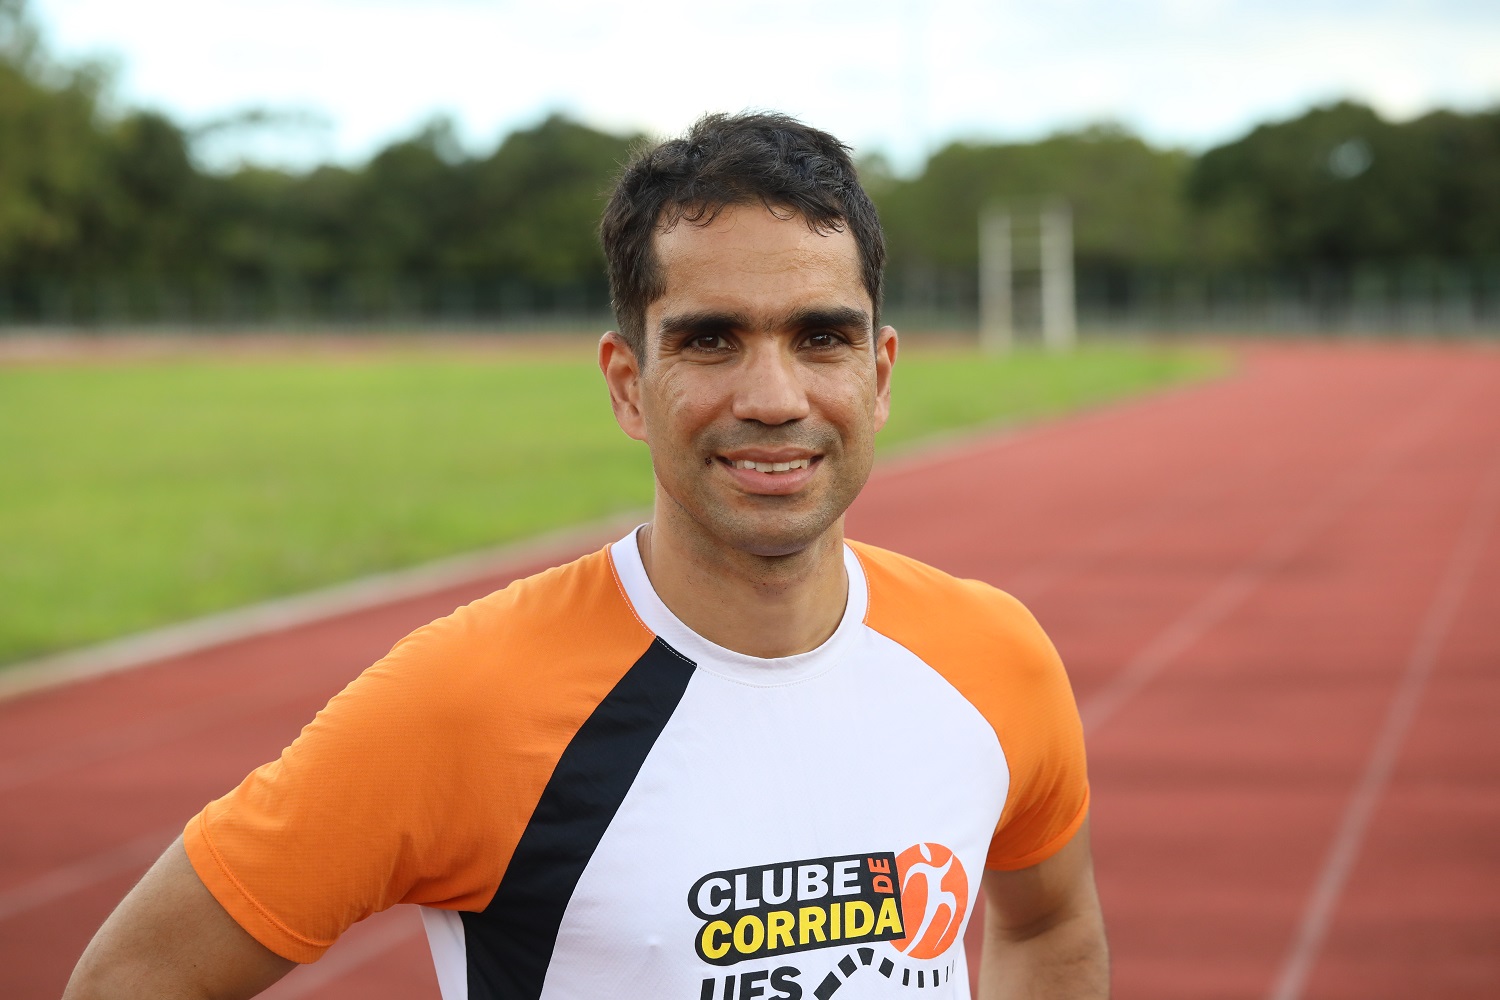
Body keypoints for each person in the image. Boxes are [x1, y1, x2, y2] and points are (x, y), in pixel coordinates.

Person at [64, 112, 1107, 1000]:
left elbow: (1050, 927)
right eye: (710, 340)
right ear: (625, 381)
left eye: (821, 337)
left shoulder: (993, 656)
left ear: (879, 374)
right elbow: (136, 977)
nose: (775, 398)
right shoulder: (463, 699)